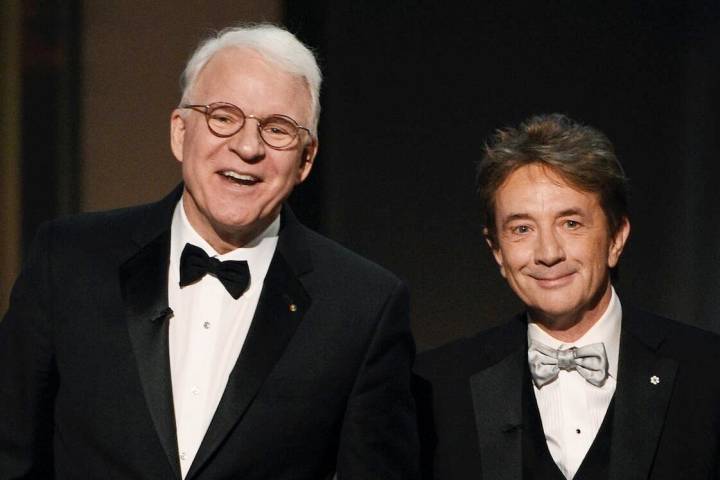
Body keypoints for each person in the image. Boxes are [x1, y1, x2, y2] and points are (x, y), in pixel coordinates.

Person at [0, 23, 418, 479]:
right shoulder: (70, 259)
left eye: (277, 129)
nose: (246, 147)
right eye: (223, 116)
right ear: (181, 132)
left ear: (306, 159)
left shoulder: (363, 305)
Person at [414, 114, 720, 479]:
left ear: (616, 237)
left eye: (570, 223)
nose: (548, 252)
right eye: (522, 228)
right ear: (496, 250)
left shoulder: (707, 372)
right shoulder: (434, 387)